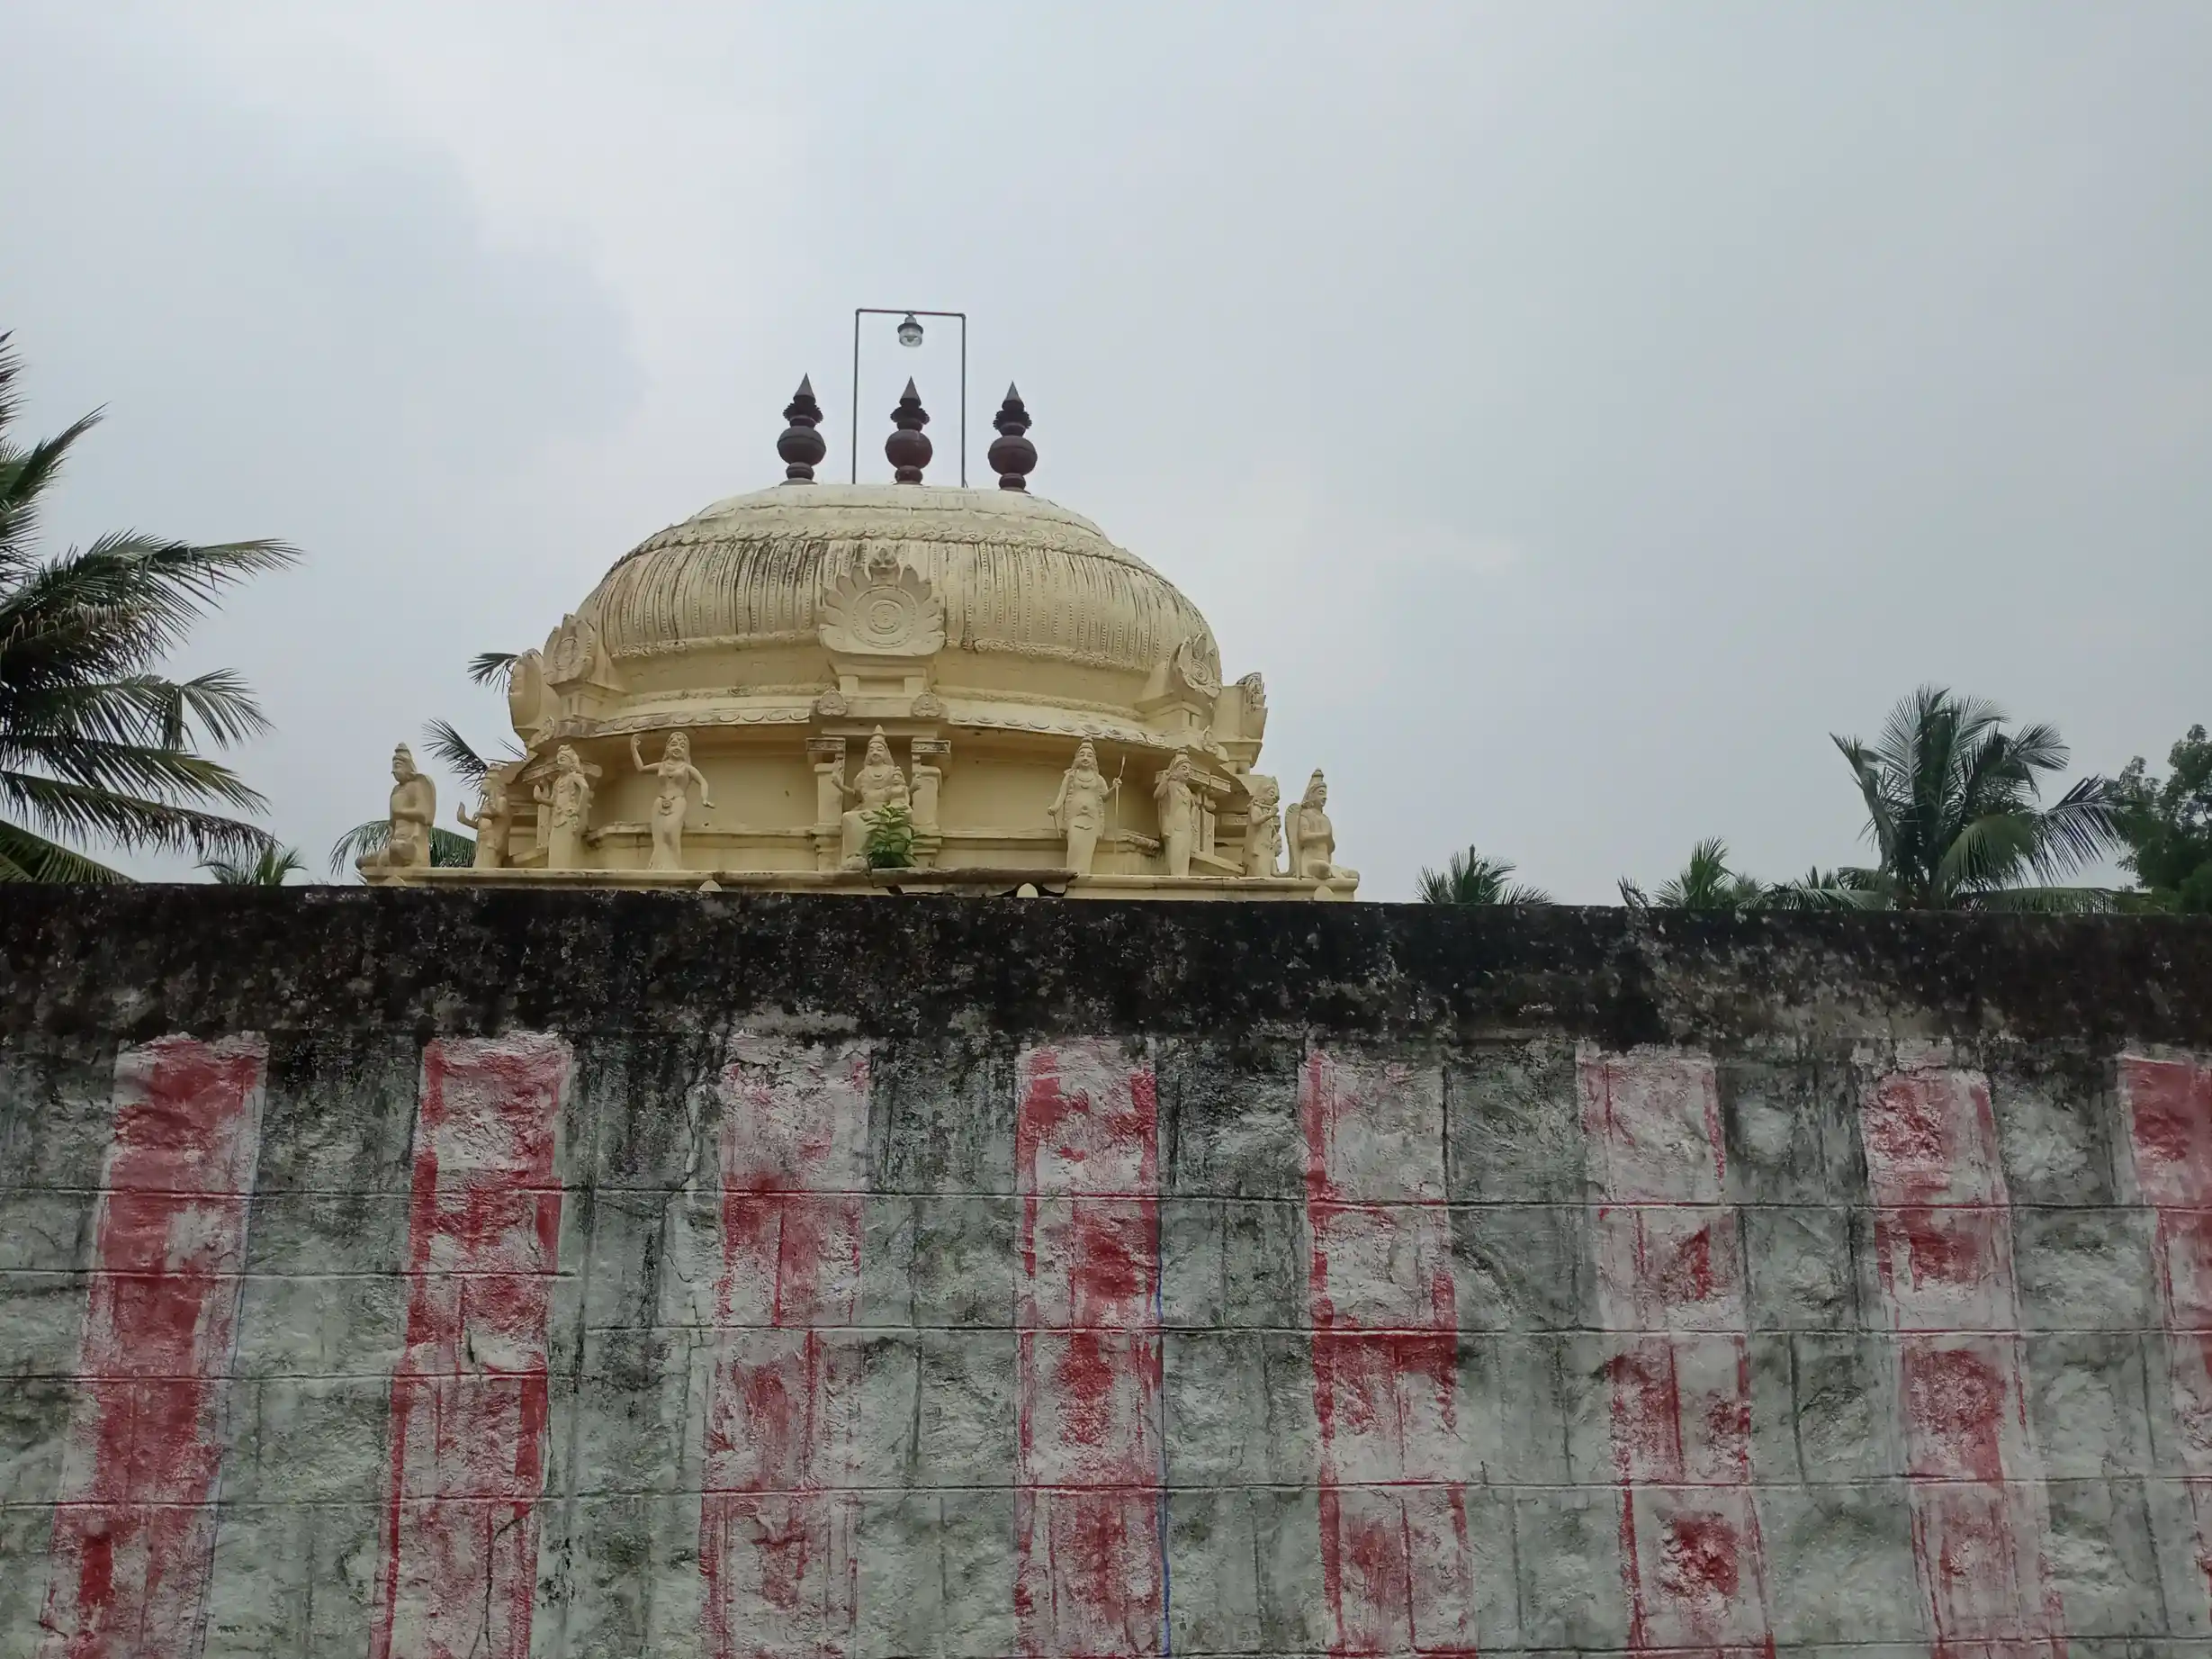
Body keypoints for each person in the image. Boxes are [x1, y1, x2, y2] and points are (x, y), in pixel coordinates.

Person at [631, 730, 713, 870]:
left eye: (682, 746)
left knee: (670, 833)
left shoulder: (687, 768)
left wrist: (704, 798)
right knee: (659, 838)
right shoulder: (661, 766)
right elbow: (641, 768)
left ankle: (674, 866)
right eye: (674, 744)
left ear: (686, 751)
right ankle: (658, 867)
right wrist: (633, 748)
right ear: (667, 748)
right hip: (660, 803)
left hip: (678, 802)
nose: (677, 748)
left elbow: (703, 782)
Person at [1048, 740, 1120, 876]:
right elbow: (1062, 795)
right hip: (1075, 817)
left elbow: (1104, 796)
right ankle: (1073, 875)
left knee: (1088, 849)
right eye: (1082, 755)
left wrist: (1114, 788)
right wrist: (1055, 807)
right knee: (1075, 845)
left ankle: (1084, 875)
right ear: (1077, 758)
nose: (1086, 758)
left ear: (1094, 760)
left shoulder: (1098, 779)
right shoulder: (1070, 777)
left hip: (1092, 819)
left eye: (1089, 755)